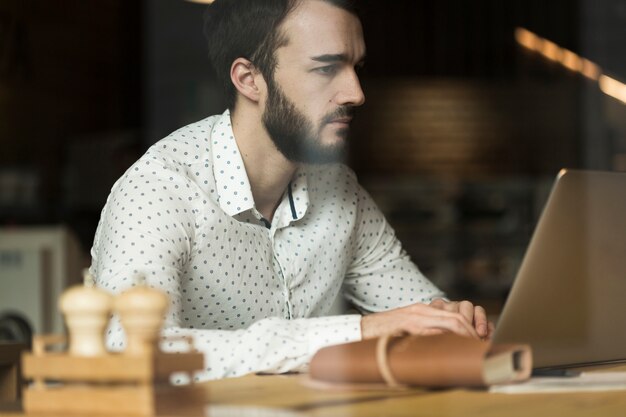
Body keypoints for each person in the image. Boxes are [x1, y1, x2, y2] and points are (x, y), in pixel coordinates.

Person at [90, 0, 493, 381]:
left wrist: (451, 322)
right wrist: (358, 332)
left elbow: (419, 314)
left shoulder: (339, 191)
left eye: (355, 66)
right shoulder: (160, 189)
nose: (356, 92)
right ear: (249, 80)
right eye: (326, 69)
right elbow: (133, 350)